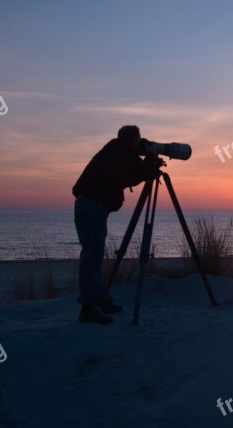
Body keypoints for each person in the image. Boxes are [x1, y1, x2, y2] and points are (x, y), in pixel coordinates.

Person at [72, 125, 162, 324]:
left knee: (93, 256)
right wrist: (151, 162)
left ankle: (101, 301)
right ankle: (88, 309)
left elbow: (132, 173)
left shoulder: (115, 150)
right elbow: (137, 172)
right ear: (132, 141)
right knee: (92, 257)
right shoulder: (120, 154)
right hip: (92, 207)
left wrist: (146, 154)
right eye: (137, 141)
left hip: (91, 207)